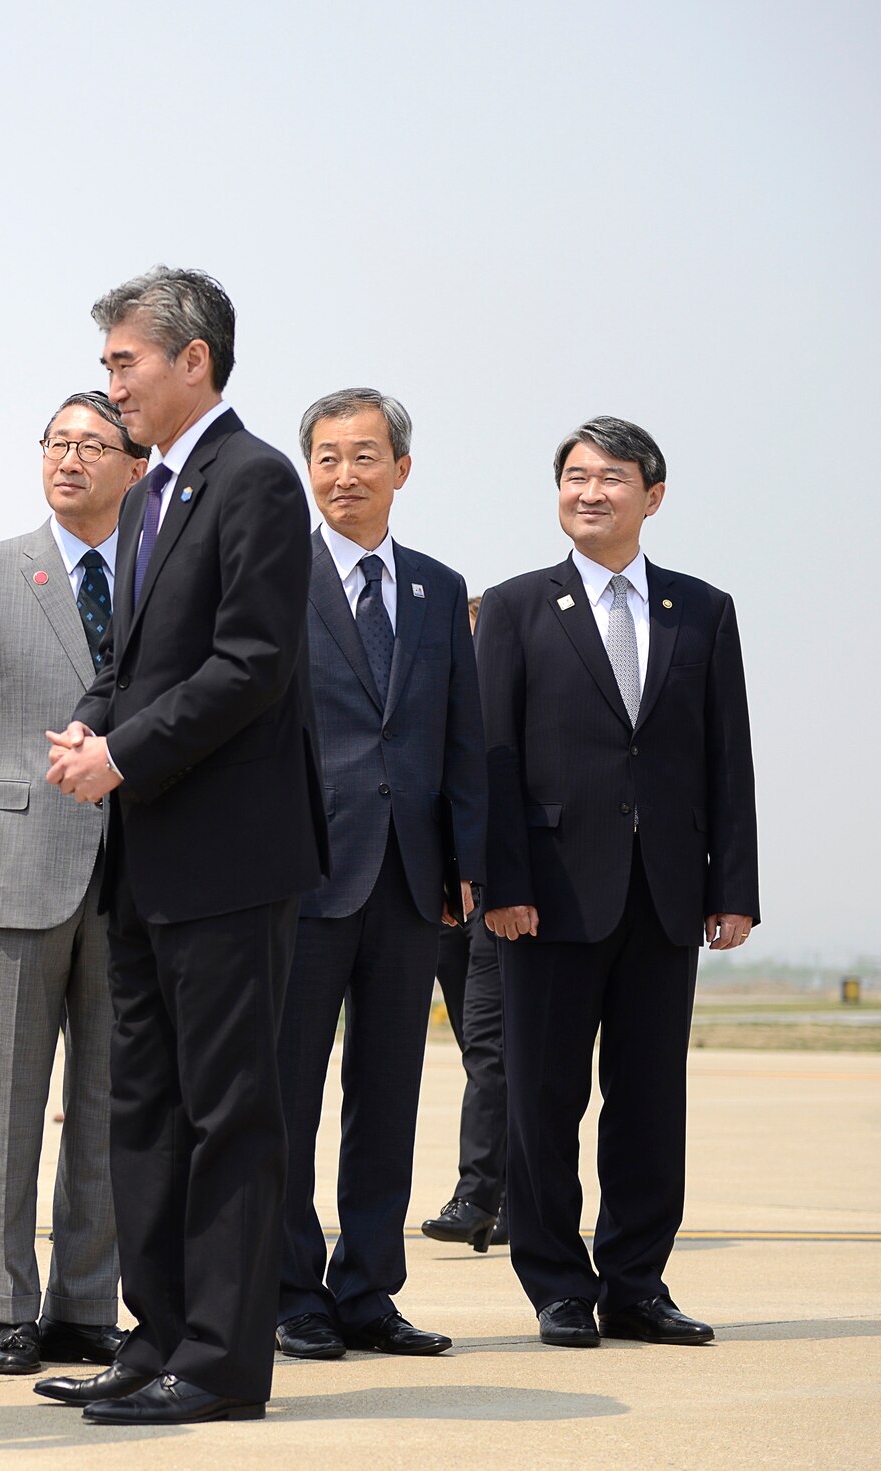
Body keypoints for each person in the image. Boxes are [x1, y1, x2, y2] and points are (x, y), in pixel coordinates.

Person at [41, 267, 328, 1426]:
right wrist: (93, 724)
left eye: (124, 363)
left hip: (227, 857)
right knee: (141, 1113)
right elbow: (143, 663)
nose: (112, 387)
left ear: (191, 360)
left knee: (226, 1116)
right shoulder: (159, 492)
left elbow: (249, 663)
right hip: (150, 857)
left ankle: (216, 1365)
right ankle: (152, 1337)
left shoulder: (253, 480)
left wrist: (126, 754)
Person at [477, 416, 757, 1349]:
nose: (589, 492)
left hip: (666, 892)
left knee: (648, 1098)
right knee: (544, 1098)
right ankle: (558, 1282)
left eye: (610, 478)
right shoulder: (516, 607)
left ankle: (636, 1281)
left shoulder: (702, 610)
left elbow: (728, 758)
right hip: (547, 895)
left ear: (654, 495)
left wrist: (734, 885)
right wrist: (501, 882)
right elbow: (494, 758)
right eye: (574, 476)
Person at [0, 391, 144, 1377]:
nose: (69, 459)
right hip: (11, 872)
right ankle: (10, 1305)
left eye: (92, 445)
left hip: (132, 876)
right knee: (7, 1104)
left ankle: (86, 1304)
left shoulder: (158, 577)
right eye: (56, 442)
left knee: (106, 1101)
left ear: (136, 467)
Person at [273, 389, 485, 1363]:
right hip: (301, 874)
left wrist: (468, 867)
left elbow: (459, 740)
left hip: (410, 882)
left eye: (363, 456)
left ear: (401, 468)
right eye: (324, 456)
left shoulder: (440, 589)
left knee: (386, 1094)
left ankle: (367, 1290)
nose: (342, 475)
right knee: (286, 1094)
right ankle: (289, 1291)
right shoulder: (273, 577)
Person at [423, 594, 511, 1254]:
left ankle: (480, 1191)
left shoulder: (504, 718)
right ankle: (501, 1192)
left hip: (491, 899)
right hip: (440, 903)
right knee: (477, 1048)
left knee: (489, 1046)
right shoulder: (439, 711)